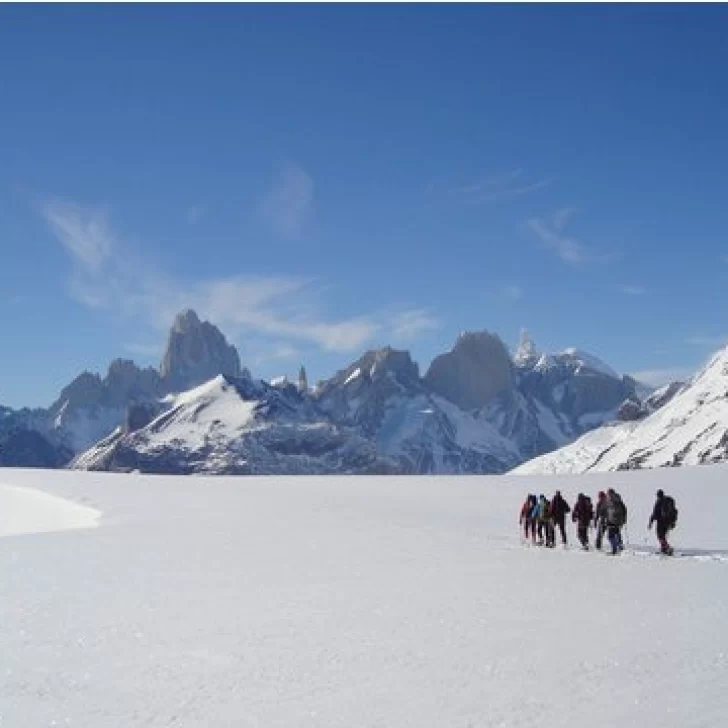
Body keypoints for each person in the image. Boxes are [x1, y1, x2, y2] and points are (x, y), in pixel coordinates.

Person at [648, 489, 678, 555]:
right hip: (668, 522)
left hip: (661, 522)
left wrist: (651, 522)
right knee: (663, 535)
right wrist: (672, 522)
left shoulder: (659, 502)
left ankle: (667, 548)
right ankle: (663, 549)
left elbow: (655, 513)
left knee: (660, 536)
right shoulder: (668, 501)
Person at [604, 488, 627, 555]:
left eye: (609, 494)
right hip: (612, 520)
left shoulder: (616, 501)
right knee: (616, 534)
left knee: (610, 536)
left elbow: (623, 511)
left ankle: (615, 549)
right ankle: (619, 546)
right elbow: (608, 511)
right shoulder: (611, 501)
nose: (608, 495)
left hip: (615, 521)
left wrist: (623, 519)